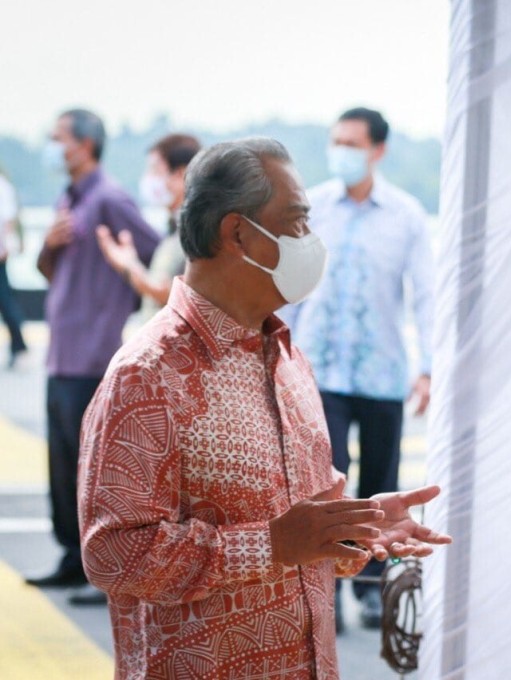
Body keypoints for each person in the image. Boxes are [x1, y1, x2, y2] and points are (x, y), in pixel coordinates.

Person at [77, 137, 451, 679]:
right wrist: (270, 545)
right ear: (238, 233)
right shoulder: (148, 374)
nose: (310, 241)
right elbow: (113, 553)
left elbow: (299, 529)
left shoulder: (288, 360)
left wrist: (356, 529)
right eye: (297, 222)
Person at [282, 107, 435, 630]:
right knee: (326, 481)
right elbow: (292, 286)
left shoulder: (406, 215)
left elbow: (426, 296)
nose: (342, 151)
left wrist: (428, 367)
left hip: (382, 371)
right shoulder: (313, 208)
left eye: (352, 142)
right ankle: (327, 582)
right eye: (336, 141)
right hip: (317, 369)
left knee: (380, 480)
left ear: (377, 150)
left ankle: (371, 586)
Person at [26, 109, 160, 602]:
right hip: (61, 354)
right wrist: (47, 244)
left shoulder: (109, 199)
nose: (51, 145)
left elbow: (156, 251)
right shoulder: (69, 199)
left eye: (56, 137)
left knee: (91, 470)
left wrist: (121, 299)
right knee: (61, 465)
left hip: (93, 354)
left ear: (84, 144)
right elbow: (48, 272)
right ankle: (69, 556)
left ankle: (97, 570)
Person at [96, 133, 201, 323]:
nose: (148, 179)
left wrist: (128, 265)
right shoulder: (174, 230)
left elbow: (173, 294)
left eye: (155, 170)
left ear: (181, 174)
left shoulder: (196, 233)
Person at [0, 165, 28, 368]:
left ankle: (19, 344)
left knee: (5, 300)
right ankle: (18, 344)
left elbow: (8, 221)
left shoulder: (3, 187)